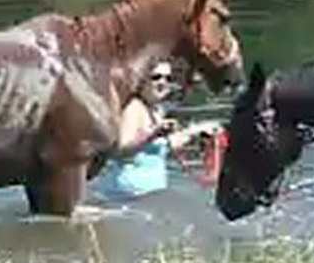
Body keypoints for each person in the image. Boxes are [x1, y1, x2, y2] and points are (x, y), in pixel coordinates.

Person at [92, 60, 223, 200]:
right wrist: (153, 134)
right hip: (127, 195)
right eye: (156, 77)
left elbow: (162, 145)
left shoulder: (155, 109)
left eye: (168, 78)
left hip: (148, 195)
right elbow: (121, 150)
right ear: (141, 81)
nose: (163, 82)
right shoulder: (134, 108)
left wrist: (195, 131)